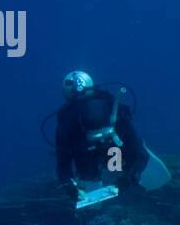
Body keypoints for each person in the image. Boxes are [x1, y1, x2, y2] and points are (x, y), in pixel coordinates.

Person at [54, 71, 149, 202]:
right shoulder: (114, 111)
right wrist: (70, 188)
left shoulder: (66, 122)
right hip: (113, 160)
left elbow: (63, 166)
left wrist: (69, 187)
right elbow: (139, 153)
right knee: (128, 155)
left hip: (101, 163)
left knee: (91, 170)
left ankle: (109, 174)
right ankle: (122, 172)